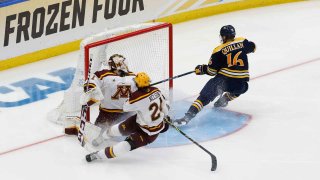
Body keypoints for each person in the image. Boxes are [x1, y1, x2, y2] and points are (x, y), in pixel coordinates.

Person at [174, 25, 256, 126]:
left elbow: (212, 71)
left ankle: (187, 117)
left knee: (204, 97)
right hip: (241, 85)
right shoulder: (242, 41)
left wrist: (202, 69)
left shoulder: (218, 50)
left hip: (223, 82)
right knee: (242, 86)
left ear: (224, 37)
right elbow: (253, 47)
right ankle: (224, 100)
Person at [85, 72, 170, 162]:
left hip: (148, 133)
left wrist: (132, 95)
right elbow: (165, 108)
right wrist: (165, 117)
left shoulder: (136, 97)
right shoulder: (156, 90)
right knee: (117, 130)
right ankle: (101, 138)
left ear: (137, 84)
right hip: (141, 123)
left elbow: (125, 107)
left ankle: (98, 155)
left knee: (125, 145)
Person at [64, 54, 137, 136]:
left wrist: (91, 90)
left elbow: (90, 83)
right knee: (101, 137)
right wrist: (92, 90)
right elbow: (90, 84)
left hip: (116, 115)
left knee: (97, 137)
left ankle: (79, 127)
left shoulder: (104, 74)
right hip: (121, 114)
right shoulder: (134, 77)